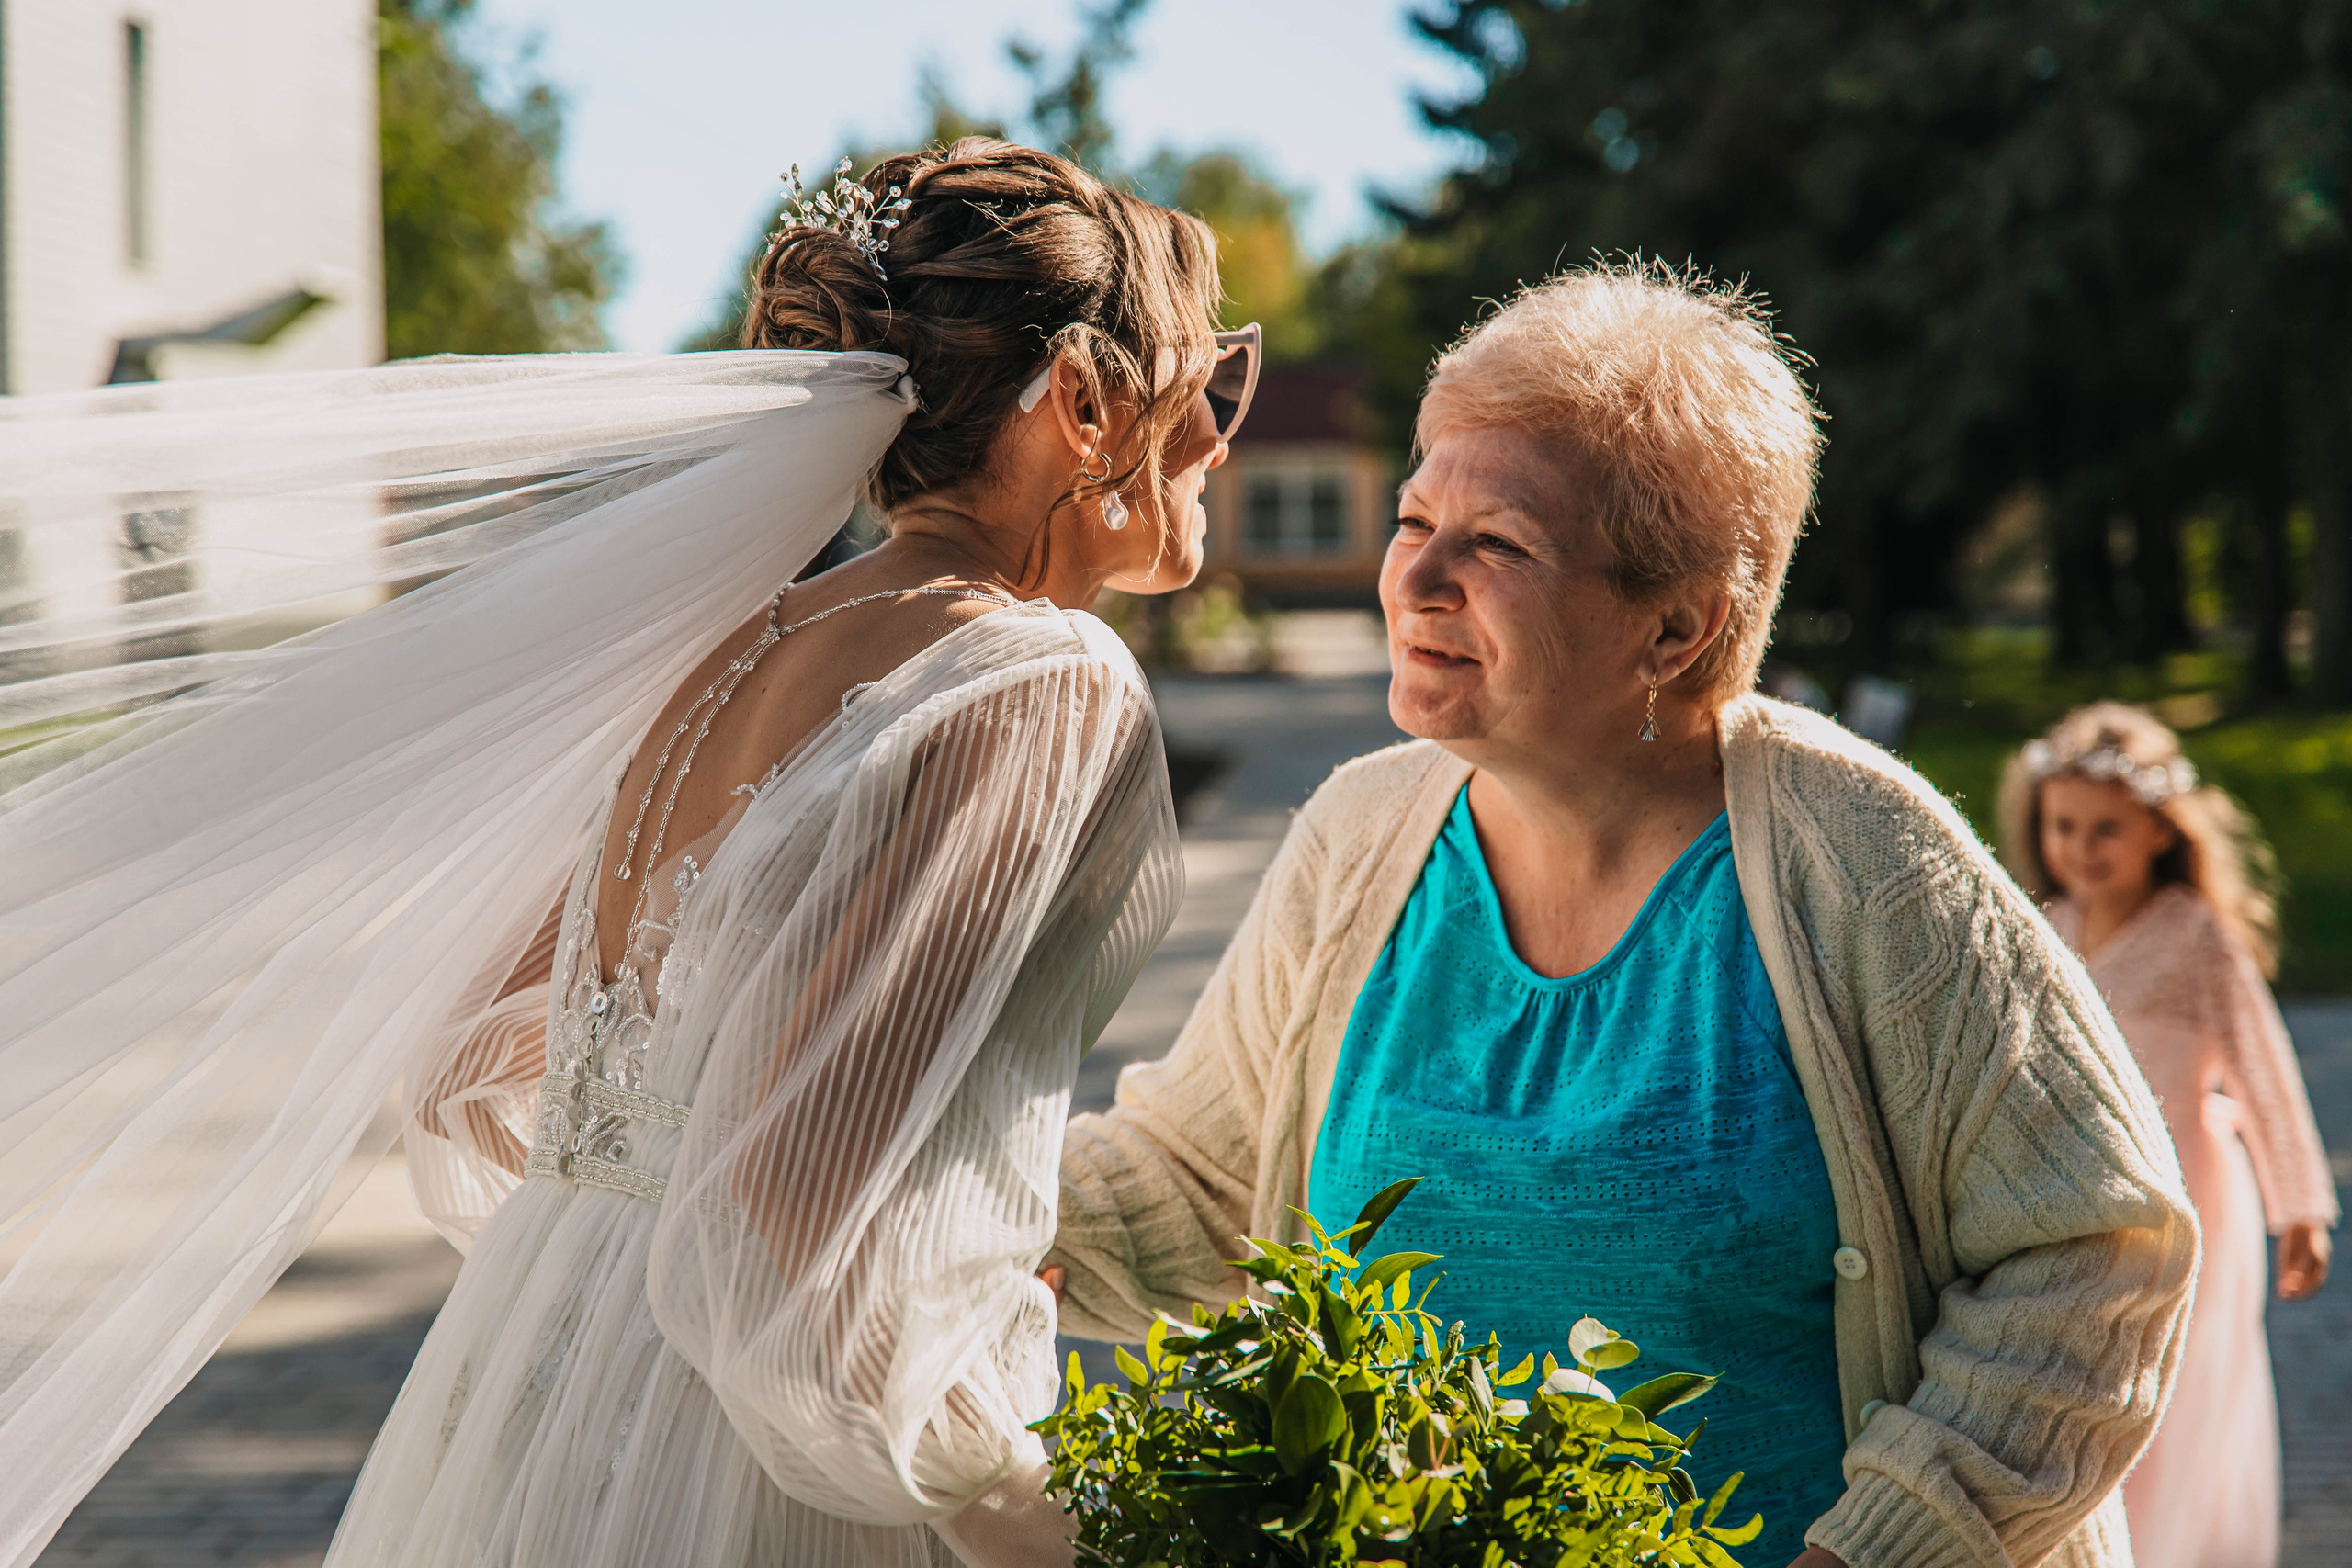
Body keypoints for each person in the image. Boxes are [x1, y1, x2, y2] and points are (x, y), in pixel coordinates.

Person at [0, 140, 1256, 1568]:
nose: (1218, 432)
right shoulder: (1039, 680)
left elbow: (476, 1056)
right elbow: (796, 1200)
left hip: (535, 1388)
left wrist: (610, 1256)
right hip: (771, 1482)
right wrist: (1037, 1512)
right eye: (1202, 379)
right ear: (1084, 402)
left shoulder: (717, 656)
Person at [1047, 263, 2199, 1568]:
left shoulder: (1868, 865)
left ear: (1677, 627)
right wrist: (938, 1201)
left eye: (1498, 545)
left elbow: (2096, 1247)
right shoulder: (1359, 834)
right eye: (1414, 519)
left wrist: (1873, 1551)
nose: (1419, 580)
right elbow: (1202, 1183)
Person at [2000, 703, 2336, 1568]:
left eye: (2106, 827)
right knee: (2082, 1386)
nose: (2082, 846)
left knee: (2172, 1389)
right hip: (2077, 1196)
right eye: (2064, 824)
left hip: (2192, 1198)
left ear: (2158, 827)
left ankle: (2166, 1548)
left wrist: (2299, 1206)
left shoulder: (2194, 935)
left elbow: (2263, 1068)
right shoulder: (2045, 923)